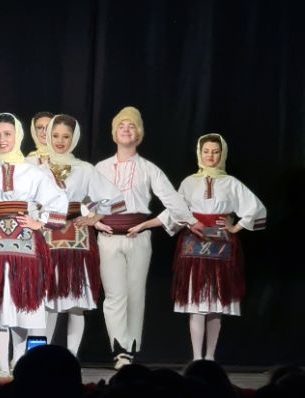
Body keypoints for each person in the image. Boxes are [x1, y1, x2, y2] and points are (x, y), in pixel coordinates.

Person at [93, 106, 202, 369]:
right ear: (114, 133)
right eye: (122, 126)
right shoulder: (101, 167)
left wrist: (183, 220)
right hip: (109, 237)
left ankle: (130, 349)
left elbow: (171, 198)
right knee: (114, 294)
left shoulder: (148, 168)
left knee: (135, 292)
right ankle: (119, 349)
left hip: (137, 237)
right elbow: (88, 198)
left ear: (138, 133)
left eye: (131, 126)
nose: (126, 130)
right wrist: (95, 221)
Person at [0, 112, 68, 380]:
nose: (2, 139)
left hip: (25, 247)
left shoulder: (33, 172)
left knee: (22, 305)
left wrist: (40, 222)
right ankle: (2, 366)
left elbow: (59, 202)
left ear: (18, 136)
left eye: (7, 134)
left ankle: (20, 362)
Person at [164, 133, 266, 361]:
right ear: (199, 153)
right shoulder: (189, 182)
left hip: (221, 248)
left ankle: (209, 358)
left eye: (215, 151)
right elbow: (175, 210)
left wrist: (236, 226)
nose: (210, 156)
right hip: (194, 246)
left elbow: (256, 208)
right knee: (196, 304)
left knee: (216, 305)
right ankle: (196, 358)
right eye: (206, 151)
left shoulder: (230, 183)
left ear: (222, 154)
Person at [37, 114, 125, 358]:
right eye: (55, 135)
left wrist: (96, 216)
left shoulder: (85, 169)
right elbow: (29, 202)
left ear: (74, 139)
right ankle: (37, 356)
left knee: (76, 302)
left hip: (77, 238)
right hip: (46, 236)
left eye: (66, 136)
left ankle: (71, 357)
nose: (60, 141)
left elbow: (116, 199)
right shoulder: (38, 169)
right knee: (45, 302)